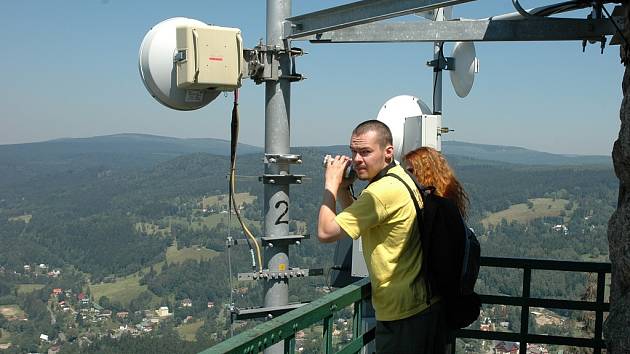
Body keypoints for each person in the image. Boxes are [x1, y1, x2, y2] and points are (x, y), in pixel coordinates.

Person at [318, 120, 447, 353]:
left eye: (365, 152)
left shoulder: (381, 191)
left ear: (388, 152)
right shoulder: (399, 177)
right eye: (353, 151)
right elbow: (363, 225)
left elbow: (326, 232)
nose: (357, 160)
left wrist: (331, 184)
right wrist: (345, 189)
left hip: (403, 313)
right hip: (421, 306)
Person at [403, 146, 469, 219]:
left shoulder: (435, 206)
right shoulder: (448, 203)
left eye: (411, 171)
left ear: (425, 173)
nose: (407, 175)